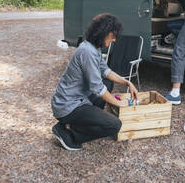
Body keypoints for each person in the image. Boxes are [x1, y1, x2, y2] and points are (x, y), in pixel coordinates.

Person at [51, 13, 139, 150]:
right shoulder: (87, 52)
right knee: (114, 125)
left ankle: (79, 123)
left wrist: (128, 83)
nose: (114, 39)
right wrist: (120, 104)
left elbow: (106, 71)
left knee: (108, 83)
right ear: (105, 33)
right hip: (68, 106)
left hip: (78, 99)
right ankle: (69, 133)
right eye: (113, 35)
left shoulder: (93, 48)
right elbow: (97, 88)